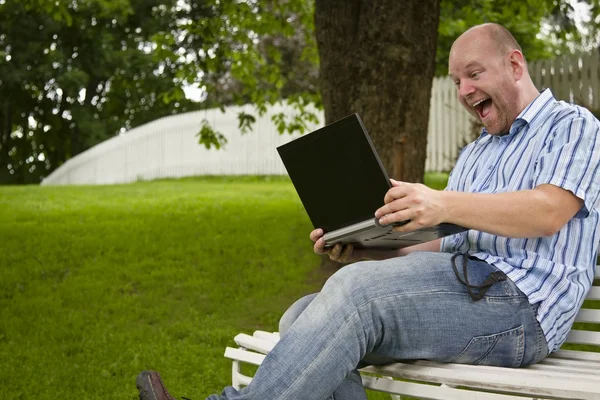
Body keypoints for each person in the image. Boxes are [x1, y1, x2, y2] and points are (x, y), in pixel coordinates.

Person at [136, 22, 600, 400]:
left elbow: (549, 211)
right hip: (468, 288)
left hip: (521, 312)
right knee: (303, 313)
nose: (463, 90)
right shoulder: (477, 153)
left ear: (514, 64)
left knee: (354, 297)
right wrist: (365, 253)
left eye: (473, 74)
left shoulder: (572, 126)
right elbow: (448, 244)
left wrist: (439, 201)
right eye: (458, 80)